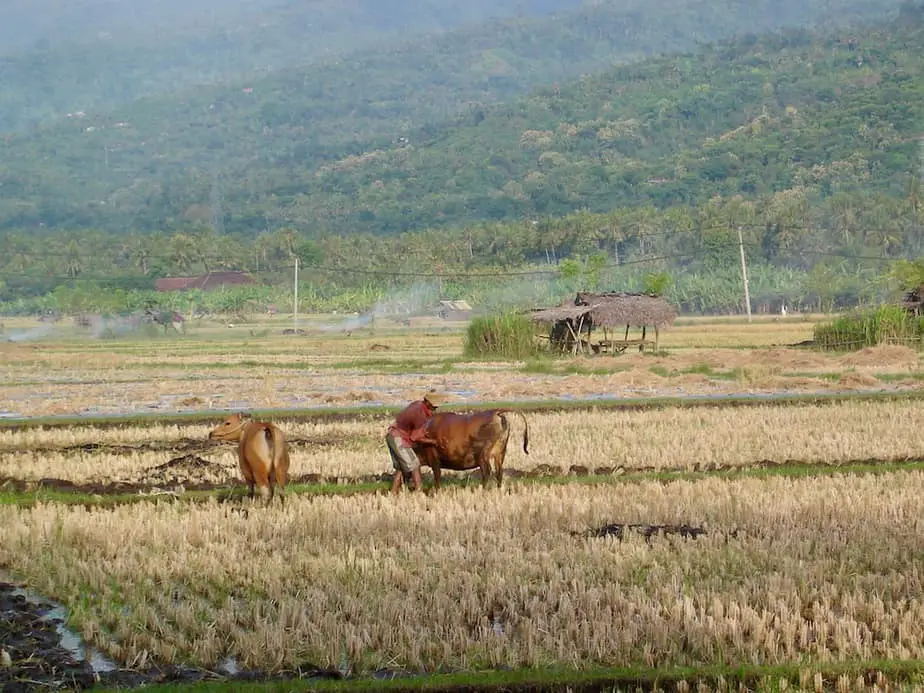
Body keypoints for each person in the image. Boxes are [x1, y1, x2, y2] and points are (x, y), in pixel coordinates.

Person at [386, 390, 448, 494]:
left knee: (402, 467)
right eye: (434, 405)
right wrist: (434, 441)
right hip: (399, 438)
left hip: (393, 435)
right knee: (414, 464)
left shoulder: (418, 405)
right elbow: (415, 437)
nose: (435, 408)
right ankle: (418, 491)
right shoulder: (419, 413)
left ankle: (394, 492)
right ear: (427, 402)